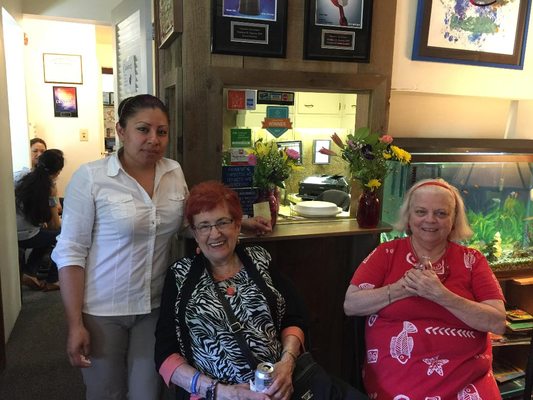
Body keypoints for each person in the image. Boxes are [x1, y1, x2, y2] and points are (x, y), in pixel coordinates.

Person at [51, 94, 271, 400]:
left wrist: (239, 222)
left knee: (148, 393)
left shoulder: (173, 171)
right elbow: (70, 252)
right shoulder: (91, 178)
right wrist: (74, 323)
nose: (153, 139)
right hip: (103, 308)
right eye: (143, 129)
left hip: (154, 305)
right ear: (121, 131)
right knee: (106, 393)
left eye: (162, 131)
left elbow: (183, 224)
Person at [343, 178, 506, 399]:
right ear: (409, 217)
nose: (430, 220)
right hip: (400, 373)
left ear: (454, 219)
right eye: (421, 212)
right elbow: (351, 305)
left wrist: (440, 295)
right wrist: (402, 288)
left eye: (441, 213)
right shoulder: (386, 253)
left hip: (467, 378)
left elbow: (497, 322)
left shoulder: (472, 260)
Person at [155, 181, 307, 400]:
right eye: (204, 226)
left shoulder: (260, 260)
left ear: (237, 225)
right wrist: (220, 392)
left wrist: (287, 364)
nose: (215, 233)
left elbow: (294, 318)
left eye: (222, 222)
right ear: (195, 233)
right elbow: (164, 354)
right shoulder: (180, 275)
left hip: (275, 391)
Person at [16, 149, 64, 291]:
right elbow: (54, 225)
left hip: (10, 231)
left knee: (46, 235)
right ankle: (53, 280)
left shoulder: (21, 175)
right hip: (25, 235)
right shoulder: (49, 188)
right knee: (62, 237)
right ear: (57, 172)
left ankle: (30, 272)